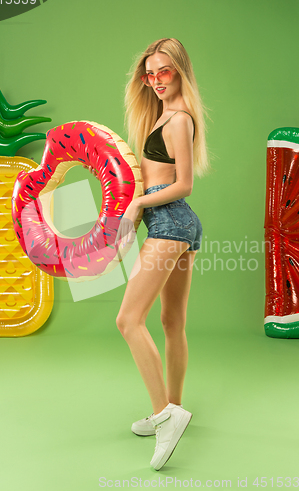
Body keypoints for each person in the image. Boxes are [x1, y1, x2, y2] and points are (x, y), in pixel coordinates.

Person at [85, 38, 209, 470]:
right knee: (171, 322)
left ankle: (164, 417)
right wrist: (133, 215)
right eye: (150, 73)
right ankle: (175, 408)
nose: (155, 80)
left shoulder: (179, 120)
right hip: (171, 223)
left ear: (180, 71)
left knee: (127, 319)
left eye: (164, 72)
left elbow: (184, 184)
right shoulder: (158, 116)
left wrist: (139, 204)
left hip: (172, 219)